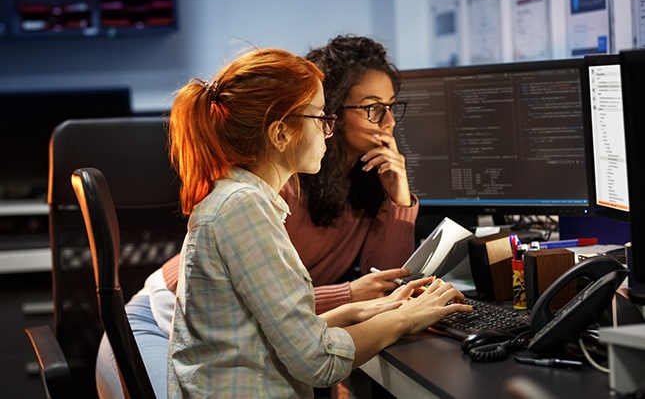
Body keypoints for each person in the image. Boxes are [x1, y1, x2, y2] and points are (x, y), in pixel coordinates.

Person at [95, 35, 422, 398]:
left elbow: (383, 279)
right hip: (159, 320)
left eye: (393, 106)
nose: (389, 122)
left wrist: (398, 200)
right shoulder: (262, 194)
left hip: (236, 342)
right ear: (283, 132)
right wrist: (356, 300)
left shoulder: (339, 183)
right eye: (373, 108)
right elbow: (290, 328)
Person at [164, 46, 471, 397]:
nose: (329, 129)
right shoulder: (244, 209)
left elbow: (267, 331)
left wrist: (376, 307)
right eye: (321, 117)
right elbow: (317, 360)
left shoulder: (244, 200)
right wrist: (407, 318)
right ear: (280, 135)